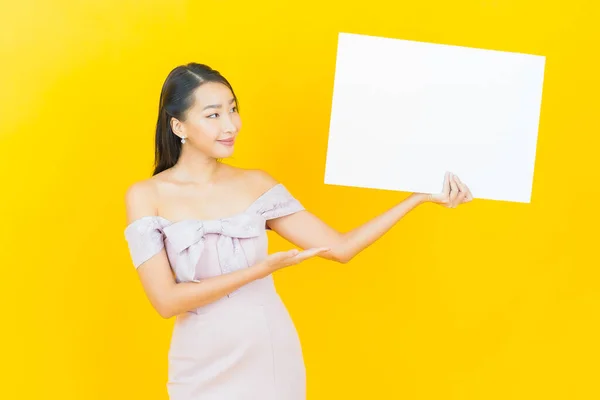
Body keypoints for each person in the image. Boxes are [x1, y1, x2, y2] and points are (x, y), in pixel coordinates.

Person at [123, 62, 473, 400]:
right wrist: (260, 271)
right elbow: (166, 302)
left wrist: (418, 198)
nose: (230, 125)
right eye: (213, 115)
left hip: (268, 354)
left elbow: (341, 248)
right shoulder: (146, 196)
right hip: (197, 362)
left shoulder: (256, 184)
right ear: (178, 126)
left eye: (233, 109)